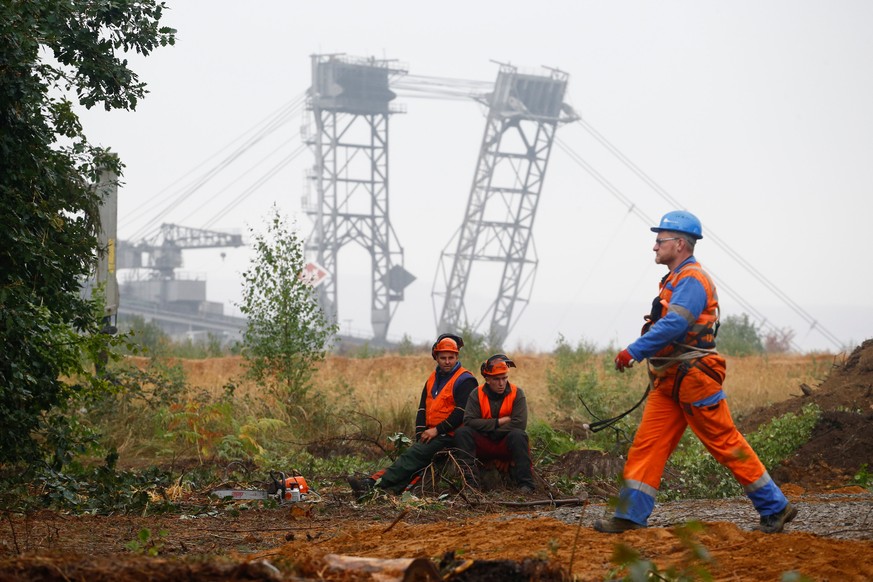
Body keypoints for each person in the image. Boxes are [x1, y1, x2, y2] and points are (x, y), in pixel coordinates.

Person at [594, 210, 797, 534]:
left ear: (679, 244)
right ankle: (630, 516)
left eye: (659, 241)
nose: (654, 247)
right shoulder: (675, 279)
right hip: (671, 379)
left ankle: (776, 508)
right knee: (647, 446)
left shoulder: (692, 279)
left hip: (694, 378)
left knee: (725, 443)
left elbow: (676, 323)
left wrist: (634, 350)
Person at [348, 333, 478, 496]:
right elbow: (422, 408)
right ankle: (383, 490)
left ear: (456, 356)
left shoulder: (465, 380)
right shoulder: (432, 379)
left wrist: (436, 430)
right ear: (436, 357)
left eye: (451, 357)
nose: (447, 361)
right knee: (414, 459)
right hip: (433, 434)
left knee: (411, 457)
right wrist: (420, 433)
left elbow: (461, 413)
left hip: (451, 435)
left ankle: (371, 484)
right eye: (443, 357)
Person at [455, 354, 535, 492]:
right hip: (484, 445)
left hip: (504, 444)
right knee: (462, 433)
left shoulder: (517, 393)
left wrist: (488, 429)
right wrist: (498, 422)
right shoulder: (476, 394)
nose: (501, 383)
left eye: (504, 378)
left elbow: (520, 424)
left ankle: (526, 485)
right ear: (487, 379)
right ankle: (471, 485)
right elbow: (468, 421)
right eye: (496, 379)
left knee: (519, 435)